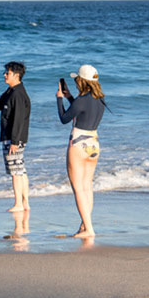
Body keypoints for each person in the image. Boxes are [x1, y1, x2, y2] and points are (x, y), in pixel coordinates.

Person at [56, 64, 106, 238]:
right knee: (87, 187)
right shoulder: (100, 99)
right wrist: (70, 97)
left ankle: (89, 229)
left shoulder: (81, 100)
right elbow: (81, 111)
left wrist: (59, 99)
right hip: (94, 142)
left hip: (78, 144)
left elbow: (64, 118)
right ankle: (85, 226)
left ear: (81, 81)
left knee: (78, 188)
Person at [0, 61, 31, 212]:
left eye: (7, 73)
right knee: (20, 170)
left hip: (14, 138)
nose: (4, 75)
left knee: (16, 172)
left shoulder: (18, 94)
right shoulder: (11, 91)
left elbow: (18, 119)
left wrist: (15, 142)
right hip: (12, 138)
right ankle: (24, 203)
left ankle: (19, 204)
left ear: (16, 75)